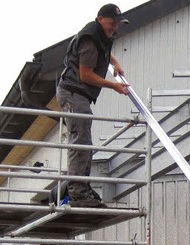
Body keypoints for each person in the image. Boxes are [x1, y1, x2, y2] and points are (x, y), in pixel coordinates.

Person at [56, 3, 130, 207]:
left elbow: (104, 52)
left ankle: (81, 189)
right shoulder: (90, 39)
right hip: (74, 92)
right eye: (111, 23)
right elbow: (85, 75)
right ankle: (78, 192)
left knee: (84, 139)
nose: (114, 27)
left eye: (117, 24)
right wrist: (113, 86)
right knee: (80, 139)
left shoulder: (101, 36)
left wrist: (115, 63)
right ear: (100, 19)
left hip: (79, 94)